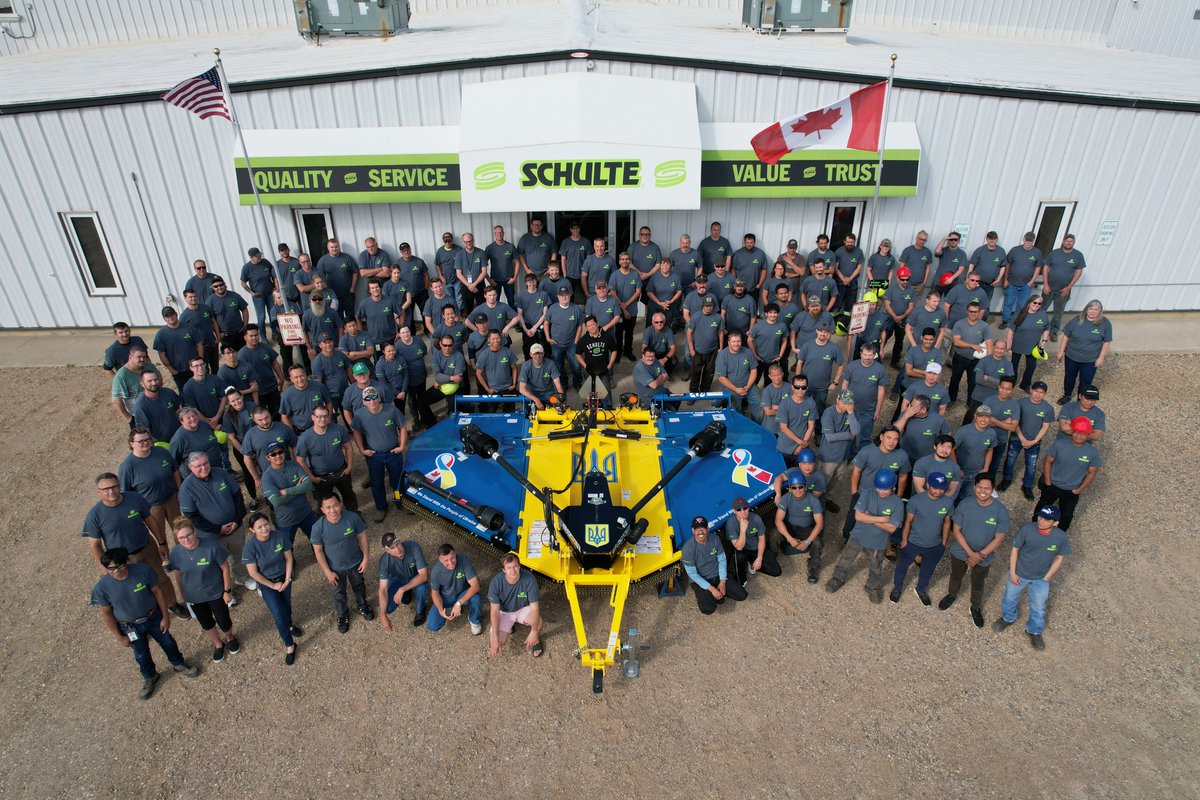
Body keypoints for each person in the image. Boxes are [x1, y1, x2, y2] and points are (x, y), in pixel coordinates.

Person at [90, 547, 201, 700]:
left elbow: (157, 592)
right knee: (141, 654)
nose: (116, 571)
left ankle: (178, 663)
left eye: (120, 566)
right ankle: (150, 676)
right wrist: (119, 637)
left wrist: (165, 617)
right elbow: (107, 614)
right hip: (129, 626)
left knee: (167, 641)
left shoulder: (142, 571)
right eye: (111, 568)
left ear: (126, 562)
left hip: (153, 617)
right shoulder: (101, 588)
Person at [83, 472, 188, 619]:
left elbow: (150, 519)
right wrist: (105, 567)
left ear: (119, 486)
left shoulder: (134, 499)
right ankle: (150, 613)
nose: (111, 491)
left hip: (147, 548)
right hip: (123, 560)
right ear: (99, 492)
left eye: (114, 487)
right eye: (106, 489)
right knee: (134, 587)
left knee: (160, 578)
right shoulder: (94, 515)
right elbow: (95, 545)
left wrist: (162, 542)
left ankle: (172, 604)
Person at [993, 505, 1071, 651]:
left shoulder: (1061, 537)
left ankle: (1034, 630)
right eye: (1040, 517)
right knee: (1009, 598)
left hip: (1040, 579)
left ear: (1055, 523)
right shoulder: (1027, 530)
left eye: (1047, 519)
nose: (1041, 521)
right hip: (1019, 573)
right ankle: (1008, 618)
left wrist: (1048, 576)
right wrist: (1013, 572)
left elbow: (1060, 557)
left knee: (1039, 607)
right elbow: (1015, 550)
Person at [938, 474, 1010, 628]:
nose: (983, 491)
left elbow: (998, 538)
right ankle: (951, 595)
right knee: (956, 576)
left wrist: (980, 555)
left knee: (978, 583)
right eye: (980, 487)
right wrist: (971, 554)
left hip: (984, 557)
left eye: (987, 488)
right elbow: (956, 530)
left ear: (993, 490)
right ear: (974, 487)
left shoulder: (1000, 511)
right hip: (961, 551)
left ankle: (975, 606)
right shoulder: (965, 504)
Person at [827, 470, 904, 604]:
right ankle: (837, 577)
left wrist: (868, 517)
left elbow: (892, 528)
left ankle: (872, 587)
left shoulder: (898, 503)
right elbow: (858, 516)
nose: (880, 491)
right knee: (846, 557)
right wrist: (882, 519)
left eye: (885, 489)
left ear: (893, 487)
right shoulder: (868, 493)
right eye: (878, 487)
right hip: (858, 534)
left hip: (878, 541)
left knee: (875, 565)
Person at [177, 452, 252, 590]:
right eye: (198, 466)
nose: (203, 467)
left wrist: (236, 520)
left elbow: (237, 496)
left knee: (239, 555)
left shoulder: (221, 473)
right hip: (211, 536)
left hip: (235, 528)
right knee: (217, 563)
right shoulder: (186, 488)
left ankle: (243, 578)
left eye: (206, 463)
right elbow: (192, 517)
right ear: (190, 468)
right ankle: (224, 590)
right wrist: (218, 529)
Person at [168, 519, 240, 662]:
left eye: (188, 535)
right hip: (194, 596)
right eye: (181, 537)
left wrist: (227, 591)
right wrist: (183, 595)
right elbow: (178, 574)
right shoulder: (176, 552)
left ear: (194, 532)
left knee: (223, 619)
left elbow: (225, 568)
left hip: (215, 592)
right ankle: (218, 644)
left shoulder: (211, 546)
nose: (186, 540)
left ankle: (229, 637)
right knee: (206, 622)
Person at [241, 512, 303, 664]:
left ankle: (289, 625)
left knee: (286, 605)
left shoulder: (279, 536)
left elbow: (288, 558)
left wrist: (288, 579)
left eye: (266, 524)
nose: (264, 529)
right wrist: (272, 585)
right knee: (278, 614)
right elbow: (253, 573)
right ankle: (289, 645)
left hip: (284, 578)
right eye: (259, 527)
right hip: (267, 584)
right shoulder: (249, 547)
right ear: (252, 530)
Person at [310, 494, 372, 634]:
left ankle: (363, 605)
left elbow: (362, 536)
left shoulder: (352, 518)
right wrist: (327, 572)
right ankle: (343, 616)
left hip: (356, 563)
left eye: (335, 505)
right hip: (335, 569)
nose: (333, 510)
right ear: (323, 510)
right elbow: (318, 551)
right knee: (339, 594)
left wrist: (366, 558)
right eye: (328, 507)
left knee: (359, 586)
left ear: (341, 504)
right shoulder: (318, 528)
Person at [890, 472, 953, 605]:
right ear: (928, 485)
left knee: (928, 570)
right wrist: (905, 540)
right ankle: (897, 587)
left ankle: (921, 589)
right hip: (913, 542)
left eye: (941, 488)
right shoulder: (916, 500)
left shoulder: (948, 502)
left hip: (934, 545)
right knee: (902, 566)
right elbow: (908, 521)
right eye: (935, 487)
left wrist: (943, 543)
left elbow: (947, 522)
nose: (938, 491)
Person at [841, 427, 911, 542]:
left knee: (880, 521)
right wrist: (854, 492)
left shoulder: (902, 456)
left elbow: (903, 477)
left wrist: (898, 497)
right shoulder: (867, 451)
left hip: (886, 496)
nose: (892, 442)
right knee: (853, 518)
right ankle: (846, 538)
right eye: (889, 438)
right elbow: (857, 471)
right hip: (864, 493)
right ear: (881, 437)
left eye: (895, 439)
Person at [351, 387, 408, 523]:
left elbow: (403, 427)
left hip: (393, 454)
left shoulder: (391, 410)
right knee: (377, 483)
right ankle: (381, 507)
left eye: (374, 397)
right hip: (374, 456)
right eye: (368, 399)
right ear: (363, 402)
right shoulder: (359, 415)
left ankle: (399, 501)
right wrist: (361, 450)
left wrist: (401, 446)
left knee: (397, 481)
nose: (372, 401)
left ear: (378, 397)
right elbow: (356, 431)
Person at [1036, 416, 1102, 531]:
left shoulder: (1092, 452)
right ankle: (1035, 531)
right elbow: (1048, 461)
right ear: (1072, 431)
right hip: (1052, 486)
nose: (1079, 436)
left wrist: (1079, 490)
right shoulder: (1059, 444)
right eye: (1076, 432)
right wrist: (1048, 481)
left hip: (1071, 491)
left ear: (1088, 435)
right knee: (1041, 510)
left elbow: (1092, 473)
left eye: (1083, 434)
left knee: (1066, 516)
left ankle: (1059, 536)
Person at [296, 405, 359, 512]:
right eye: (319, 416)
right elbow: (300, 460)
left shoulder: (338, 430)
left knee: (349, 495)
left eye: (325, 416)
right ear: (312, 417)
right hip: (321, 477)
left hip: (341, 472)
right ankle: (325, 522)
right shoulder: (305, 438)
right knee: (323, 501)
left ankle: (354, 515)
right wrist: (311, 477)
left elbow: (348, 447)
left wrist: (349, 467)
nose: (322, 419)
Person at [682, 516, 748, 615]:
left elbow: (722, 560)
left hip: (717, 575)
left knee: (742, 595)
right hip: (701, 579)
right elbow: (692, 574)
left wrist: (722, 582)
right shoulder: (687, 548)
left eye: (703, 528)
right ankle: (711, 593)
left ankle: (719, 591)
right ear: (693, 530)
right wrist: (712, 589)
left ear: (707, 529)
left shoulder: (715, 539)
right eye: (697, 529)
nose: (700, 532)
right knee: (708, 609)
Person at [1001, 380, 1054, 500]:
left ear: (1044, 394)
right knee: (1010, 459)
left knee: (1031, 465)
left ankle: (1027, 486)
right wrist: (1022, 438)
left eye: (1041, 392)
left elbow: (1045, 427)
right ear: (1031, 390)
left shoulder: (1048, 408)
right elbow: (1015, 422)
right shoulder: (1019, 403)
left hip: (1034, 442)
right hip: (1016, 437)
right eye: (1036, 391)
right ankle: (1006, 479)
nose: (1038, 394)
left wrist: (1034, 441)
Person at [487, 553, 545, 658]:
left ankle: (535, 640)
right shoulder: (496, 582)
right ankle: (509, 625)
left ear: (519, 566)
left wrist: (533, 631)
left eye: (515, 566)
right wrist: (495, 638)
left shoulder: (529, 579)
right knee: (496, 642)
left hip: (522, 608)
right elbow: (494, 611)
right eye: (509, 568)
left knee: (539, 622)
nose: (513, 571)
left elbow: (535, 609)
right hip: (505, 612)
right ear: (503, 570)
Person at [260, 440, 317, 545]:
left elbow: (308, 485)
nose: (278, 456)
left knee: (317, 541)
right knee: (287, 548)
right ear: (268, 458)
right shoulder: (267, 477)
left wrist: (285, 491)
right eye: (273, 454)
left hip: (306, 513)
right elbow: (276, 501)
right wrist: (299, 489)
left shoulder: (294, 465)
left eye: (280, 452)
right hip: (286, 521)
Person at [1057, 299, 1112, 404]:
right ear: (1086, 309)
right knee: (1069, 377)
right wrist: (1061, 351)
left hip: (1090, 359)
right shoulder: (1077, 320)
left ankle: (1080, 399)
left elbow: (1106, 341)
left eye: (1096, 310)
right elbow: (1066, 336)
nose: (1092, 311)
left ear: (1100, 311)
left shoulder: (1105, 323)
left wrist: (1101, 357)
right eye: (1090, 308)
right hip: (1072, 356)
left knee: (1085, 380)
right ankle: (1067, 395)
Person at [772, 476, 824, 582]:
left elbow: (819, 524)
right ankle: (771, 557)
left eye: (800, 487)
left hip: (805, 528)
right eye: (794, 487)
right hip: (789, 526)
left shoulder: (813, 500)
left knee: (817, 542)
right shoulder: (786, 498)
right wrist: (789, 538)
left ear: (805, 487)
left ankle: (813, 567)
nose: (798, 490)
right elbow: (778, 520)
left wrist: (808, 541)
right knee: (774, 534)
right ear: (790, 488)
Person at [378, 532, 431, 631]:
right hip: (398, 579)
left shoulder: (413, 547)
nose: (397, 549)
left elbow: (423, 576)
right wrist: (383, 616)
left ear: (400, 541)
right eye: (392, 548)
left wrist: (401, 589)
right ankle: (407, 592)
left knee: (422, 589)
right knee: (387, 608)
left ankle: (420, 611)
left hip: (415, 576)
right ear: (387, 550)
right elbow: (382, 589)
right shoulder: (384, 561)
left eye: (397, 544)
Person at [427, 543, 484, 634]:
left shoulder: (464, 560)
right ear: (440, 560)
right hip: (446, 596)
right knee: (433, 626)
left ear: (455, 553)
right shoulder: (436, 572)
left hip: (463, 591)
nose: (450, 562)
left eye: (452, 558)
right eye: (446, 560)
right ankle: (452, 609)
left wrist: (458, 603)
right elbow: (435, 593)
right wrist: (441, 610)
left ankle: (474, 620)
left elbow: (475, 586)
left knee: (476, 598)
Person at [724, 497, 781, 584]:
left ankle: (752, 564)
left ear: (748, 508)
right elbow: (739, 547)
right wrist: (743, 530)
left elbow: (762, 538)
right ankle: (743, 575)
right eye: (739, 509)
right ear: (734, 511)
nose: (743, 512)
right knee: (738, 557)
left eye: (745, 508)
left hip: (756, 548)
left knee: (777, 571)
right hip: (743, 550)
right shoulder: (731, 523)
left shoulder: (756, 518)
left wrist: (759, 558)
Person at [1042, 234, 1086, 340]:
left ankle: (1053, 331)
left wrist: (1068, 287)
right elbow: (1045, 268)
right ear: (1063, 241)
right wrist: (1046, 284)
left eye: (1071, 241)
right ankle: (1039, 327)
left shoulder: (1078, 255)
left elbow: (1079, 272)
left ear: (1074, 242)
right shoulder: (1054, 253)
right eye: (1067, 241)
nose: (1068, 243)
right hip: (1049, 288)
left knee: (1058, 312)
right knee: (1042, 309)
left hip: (1063, 290)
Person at [947, 302, 990, 408]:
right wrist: (973, 346)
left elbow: (989, 344)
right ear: (967, 311)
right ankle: (951, 399)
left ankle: (970, 403)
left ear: (979, 312)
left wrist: (988, 362)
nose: (973, 314)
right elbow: (956, 342)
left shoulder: (984, 326)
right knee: (955, 379)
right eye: (971, 311)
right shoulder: (959, 324)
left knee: (973, 382)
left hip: (976, 360)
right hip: (960, 357)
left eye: (976, 312)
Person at [953, 405, 999, 499]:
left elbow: (990, 450)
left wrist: (985, 468)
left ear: (990, 418)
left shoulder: (991, 433)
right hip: (961, 471)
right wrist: (957, 468)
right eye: (980, 416)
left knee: (968, 497)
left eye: (986, 416)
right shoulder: (964, 431)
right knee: (953, 496)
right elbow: (951, 449)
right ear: (975, 416)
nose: (983, 419)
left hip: (976, 473)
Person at [1006, 294, 1050, 392]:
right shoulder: (1019, 314)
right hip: (1018, 345)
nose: (1037, 305)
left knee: (1031, 366)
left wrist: (1043, 342)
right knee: (1014, 365)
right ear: (1029, 302)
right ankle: (1012, 382)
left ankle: (1025, 384)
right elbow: (1011, 330)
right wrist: (1008, 344)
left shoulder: (1042, 314)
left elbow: (1046, 329)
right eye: (1035, 302)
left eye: (1039, 303)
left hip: (1033, 347)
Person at [1001, 232, 1043, 330]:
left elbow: (1038, 267)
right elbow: (1007, 265)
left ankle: (1015, 322)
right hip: (1012, 283)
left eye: (1030, 241)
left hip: (1026, 285)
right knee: (1008, 303)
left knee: (1022, 305)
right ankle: (1005, 321)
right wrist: (1006, 279)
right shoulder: (1015, 250)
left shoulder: (1037, 253)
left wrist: (1032, 281)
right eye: (1026, 240)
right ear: (1023, 239)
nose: (1028, 243)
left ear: (1033, 241)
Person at [818, 390, 860, 486]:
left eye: (849, 402)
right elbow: (830, 437)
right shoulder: (829, 413)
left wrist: (851, 413)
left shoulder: (852, 412)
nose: (846, 405)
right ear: (837, 400)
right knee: (822, 482)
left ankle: (827, 499)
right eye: (844, 402)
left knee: (835, 481)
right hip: (829, 456)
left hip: (843, 455)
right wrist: (848, 435)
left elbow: (856, 431)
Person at [714, 331, 760, 421]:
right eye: (733, 341)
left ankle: (756, 424)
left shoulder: (747, 352)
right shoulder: (722, 356)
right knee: (735, 409)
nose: (736, 344)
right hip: (731, 388)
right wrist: (736, 389)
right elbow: (721, 378)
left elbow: (754, 370)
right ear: (728, 342)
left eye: (738, 341)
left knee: (759, 403)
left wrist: (748, 386)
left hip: (748, 385)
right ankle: (740, 424)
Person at [966, 339, 1014, 424]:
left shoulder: (1008, 364)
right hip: (979, 395)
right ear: (993, 347)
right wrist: (998, 385)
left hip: (995, 398)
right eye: (997, 348)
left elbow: (1007, 384)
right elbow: (978, 379)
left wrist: (988, 378)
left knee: (989, 420)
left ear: (1006, 350)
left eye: (1002, 349)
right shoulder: (984, 360)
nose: (999, 351)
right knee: (970, 415)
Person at [153, 306, 200, 391]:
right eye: (167, 316)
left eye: (172, 314)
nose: (170, 317)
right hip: (178, 371)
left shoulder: (189, 327)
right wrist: (172, 370)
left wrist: (200, 361)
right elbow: (162, 354)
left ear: (176, 314)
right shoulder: (161, 335)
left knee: (199, 389)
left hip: (194, 368)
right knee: (184, 392)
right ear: (164, 318)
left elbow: (199, 344)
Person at [111, 346, 160, 428]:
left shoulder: (149, 366)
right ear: (130, 357)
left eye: (144, 357)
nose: (142, 359)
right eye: (139, 357)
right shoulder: (121, 376)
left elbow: (159, 377)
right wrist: (129, 418)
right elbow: (116, 400)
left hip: (156, 409)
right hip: (139, 415)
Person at [546, 285, 584, 390]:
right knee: (558, 367)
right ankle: (564, 384)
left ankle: (577, 383)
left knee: (576, 366)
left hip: (572, 344)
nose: (564, 297)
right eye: (561, 295)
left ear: (570, 296)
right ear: (558, 296)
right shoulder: (552, 308)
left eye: (566, 295)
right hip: (556, 344)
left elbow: (580, 325)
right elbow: (546, 323)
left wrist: (576, 340)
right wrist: (548, 338)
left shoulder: (576, 308)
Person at [775, 376, 818, 467]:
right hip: (785, 448)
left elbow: (811, 426)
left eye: (803, 387)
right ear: (792, 387)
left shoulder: (811, 403)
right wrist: (801, 443)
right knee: (783, 475)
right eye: (797, 387)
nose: (800, 390)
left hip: (802, 446)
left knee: (799, 477)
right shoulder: (785, 403)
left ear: (807, 387)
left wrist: (802, 445)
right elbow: (784, 428)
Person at [687, 295, 725, 394]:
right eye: (706, 306)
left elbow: (720, 333)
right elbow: (689, 333)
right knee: (695, 373)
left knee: (709, 372)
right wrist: (691, 349)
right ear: (702, 306)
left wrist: (721, 347)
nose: (708, 308)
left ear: (713, 306)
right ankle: (693, 392)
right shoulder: (695, 316)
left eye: (710, 306)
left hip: (712, 351)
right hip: (698, 351)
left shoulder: (718, 318)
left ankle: (705, 390)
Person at [279, 364, 332, 435]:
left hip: (323, 428)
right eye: (296, 377)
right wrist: (292, 435)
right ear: (291, 379)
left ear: (306, 375)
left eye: (301, 376)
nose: (300, 379)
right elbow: (284, 417)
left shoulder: (319, 387)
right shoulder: (286, 396)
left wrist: (328, 420)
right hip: (303, 432)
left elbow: (329, 402)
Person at [133, 370, 182, 444]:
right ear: (142, 384)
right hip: (163, 444)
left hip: (181, 436)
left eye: (155, 379)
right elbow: (145, 430)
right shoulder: (140, 405)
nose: (154, 383)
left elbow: (181, 410)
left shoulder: (168, 392)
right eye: (149, 381)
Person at [911, 433, 963, 503]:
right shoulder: (922, 463)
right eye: (942, 446)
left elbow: (951, 490)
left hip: (942, 502)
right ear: (935, 447)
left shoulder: (955, 467)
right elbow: (918, 488)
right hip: (921, 500)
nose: (945, 450)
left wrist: (939, 503)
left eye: (948, 447)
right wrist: (931, 501)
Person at [316, 238, 359, 321]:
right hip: (332, 295)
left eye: (336, 247)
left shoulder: (347, 258)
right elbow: (319, 278)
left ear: (339, 247)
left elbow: (355, 272)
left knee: (350, 315)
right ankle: (341, 333)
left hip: (348, 293)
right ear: (328, 248)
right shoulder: (323, 261)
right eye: (332, 247)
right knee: (337, 316)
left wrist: (353, 287)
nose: (334, 249)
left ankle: (352, 332)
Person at [239, 247, 278, 338]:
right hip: (258, 297)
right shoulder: (247, 268)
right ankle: (263, 337)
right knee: (261, 317)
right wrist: (251, 292)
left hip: (270, 294)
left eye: (259, 255)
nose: (259, 257)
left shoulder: (265, 262)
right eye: (257, 256)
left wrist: (276, 287)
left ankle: (275, 333)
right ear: (251, 257)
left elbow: (274, 275)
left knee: (273, 314)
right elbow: (243, 282)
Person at [883, 267, 917, 366]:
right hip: (890, 319)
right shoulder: (891, 289)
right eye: (903, 279)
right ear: (898, 278)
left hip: (903, 320)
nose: (905, 281)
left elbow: (911, 306)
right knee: (884, 337)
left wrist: (902, 316)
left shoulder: (911, 291)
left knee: (899, 340)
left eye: (907, 279)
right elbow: (887, 305)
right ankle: (877, 357)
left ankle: (895, 361)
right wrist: (895, 316)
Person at [205, 276, 250, 351]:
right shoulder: (210, 302)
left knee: (244, 353)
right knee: (232, 356)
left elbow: (244, 309)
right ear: (212, 288)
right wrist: (218, 333)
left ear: (225, 284)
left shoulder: (235, 296)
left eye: (221, 285)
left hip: (240, 332)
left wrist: (245, 325)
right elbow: (210, 321)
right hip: (225, 336)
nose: (219, 287)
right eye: (216, 286)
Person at [831, 233, 865, 329]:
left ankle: (844, 326)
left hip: (852, 283)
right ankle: (833, 326)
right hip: (839, 283)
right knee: (836, 306)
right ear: (844, 241)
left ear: (854, 242)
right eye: (848, 242)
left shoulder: (859, 252)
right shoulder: (839, 251)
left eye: (852, 242)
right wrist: (843, 279)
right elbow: (835, 268)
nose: (850, 244)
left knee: (848, 308)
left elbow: (859, 268)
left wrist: (849, 279)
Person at [968, 231, 1007, 310]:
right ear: (986, 239)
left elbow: (1003, 266)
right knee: (973, 302)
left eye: (994, 239)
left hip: (990, 284)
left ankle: (983, 321)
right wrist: (969, 278)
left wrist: (998, 279)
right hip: (977, 283)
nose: (992, 241)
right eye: (990, 239)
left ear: (997, 239)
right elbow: (971, 265)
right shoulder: (980, 250)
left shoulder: (1001, 252)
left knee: (985, 304)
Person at [519, 343, 564, 409]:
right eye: (535, 353)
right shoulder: (526, 366)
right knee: (524, 411)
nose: (538, 356)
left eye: (540, 353)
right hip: (532, 394)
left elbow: (558, 384)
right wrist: (536, 400)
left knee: (560, 407)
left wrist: (562, 400)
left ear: (543, 353)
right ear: (530, 354)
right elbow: (522, 389)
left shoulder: (550, 364)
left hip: (548, 393)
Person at [454, 232, 489, 314]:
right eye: (466, 242)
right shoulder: (459, 254)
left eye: (470, 241)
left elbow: (484, 272)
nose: (468, 243)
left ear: (473, 240)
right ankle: (470, 326)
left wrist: (474, 284)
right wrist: (469, 285)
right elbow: (458, 273)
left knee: (482, 308)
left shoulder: (481, 253)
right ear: (463, 242)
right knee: (468, 309)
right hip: (466, 285)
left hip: (479, 285)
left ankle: (482, 325)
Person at [486, 226, 520, 307]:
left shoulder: (510, 247)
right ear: (494, 234)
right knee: (494, 301)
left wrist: (514, 278)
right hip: (495, 281)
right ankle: (496, 318)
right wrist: (489, 279)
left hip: (509, 280)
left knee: (511, 301)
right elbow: (482, 266)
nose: (499, 234)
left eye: (501, 232)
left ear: (503, 233)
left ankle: (513, 318)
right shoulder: (490, 248)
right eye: (497, 232)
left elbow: (517, 263)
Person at [897, 231, 933, 295]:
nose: (922, 241)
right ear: (916, 238)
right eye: (921, 239)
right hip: (906, 283)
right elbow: (901, 266)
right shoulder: (908, 250)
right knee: (902, 302)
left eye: (924, 240)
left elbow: (928, 267)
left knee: (914, 304)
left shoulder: (927, 252)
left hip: (919, 285)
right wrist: (899, 280)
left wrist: (924, 282)